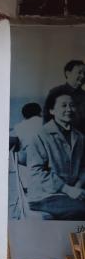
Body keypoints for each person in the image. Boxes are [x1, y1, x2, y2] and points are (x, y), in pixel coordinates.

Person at [27, 87, 85, 220]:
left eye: (72, 105)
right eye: (63, 105)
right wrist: (67, 189)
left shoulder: (80, 137)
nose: (69, 109)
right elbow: (36, 172)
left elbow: (83, 167)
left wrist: (78, 186)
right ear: (51, 110)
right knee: (81, 211)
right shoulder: (40, 135)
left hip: (72, 193)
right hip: (45, 195)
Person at [43, 60, 85, 133]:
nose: (83, 76)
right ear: (68, 73)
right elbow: (47, 117)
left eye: (84, 73)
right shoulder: (55, 92)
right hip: (60, 136)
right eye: (79, 72)